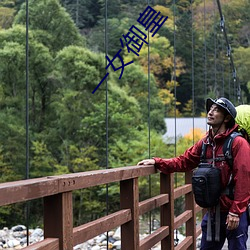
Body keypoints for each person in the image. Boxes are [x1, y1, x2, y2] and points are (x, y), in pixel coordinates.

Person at [137, 97, 250, 250]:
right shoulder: (205, 143)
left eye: (216, 110)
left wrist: (236, 212)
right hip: (213, 211)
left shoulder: (238, 143)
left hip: (233, 211)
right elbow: (184, 161)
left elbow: (244, 178)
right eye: (210, 109)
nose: (210, 112)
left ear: (227, 118)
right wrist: (157, 162)